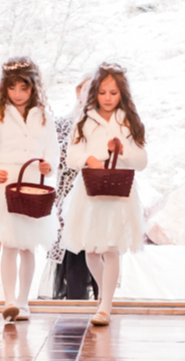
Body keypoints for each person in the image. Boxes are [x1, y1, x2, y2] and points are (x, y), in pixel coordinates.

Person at [61, 64, 148, 327]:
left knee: (111, 250)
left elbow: (142, 161)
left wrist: (122, 151)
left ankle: (105, 305)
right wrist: (90, 158)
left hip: (120, 194)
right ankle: (105, 296)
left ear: (122, 93)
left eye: (113, 92)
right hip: (90, 193)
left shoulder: (129, 121)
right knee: (91, 251)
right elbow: (71, 156)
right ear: (93, 93)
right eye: (102, 92)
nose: (108, 98)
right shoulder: (84, 121)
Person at [0, 56, 57, 323]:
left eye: (24, 88)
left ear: (34, 87)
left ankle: (23, 301)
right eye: (12, 88)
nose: (18, 94)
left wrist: (48, 166)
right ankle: (9, 300)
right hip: (6, 184)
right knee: (9, 244)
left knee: (27, 247)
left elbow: (53, 151)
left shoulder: (44, 116)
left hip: (33, 184)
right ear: (5, 88)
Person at [50, 72, 97, 302]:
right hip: (68, 201)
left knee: (99, 253)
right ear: (79, 91)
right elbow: (56, 160)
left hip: (98, 199)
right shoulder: (62, 124)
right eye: (87, 88)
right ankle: (75, 308)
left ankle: (102, 306)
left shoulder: (107, 127)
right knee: (73, 259)